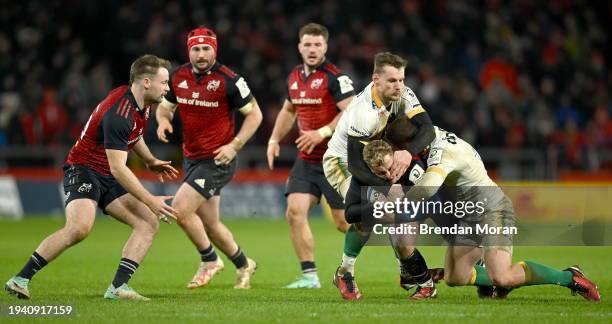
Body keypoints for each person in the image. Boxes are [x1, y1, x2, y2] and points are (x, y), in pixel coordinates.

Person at [363, 122, 601, 302]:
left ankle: (569, 277)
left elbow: (427, 189)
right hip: (470, 215)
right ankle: (483, 275)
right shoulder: (427, 133)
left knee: (503, 277)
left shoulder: (442, 154)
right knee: (456, 278)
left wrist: (397, 204)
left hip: (492, 209)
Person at [5, 54, 178, 301]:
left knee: (148, 223)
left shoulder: (140, 103)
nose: (167, 88)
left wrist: (150, 161)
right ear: (147, 82)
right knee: (79, 228)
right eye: (164, 82)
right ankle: (20, 279)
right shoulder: (120, 112)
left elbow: (134, 135)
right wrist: (150, 199)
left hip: (106, 171)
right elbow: (119, 168)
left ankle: (118, 288)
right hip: (83, 168)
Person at [323, 52, 436, 300]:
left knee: (403, 208)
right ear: (376, 80)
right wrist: (387, 188)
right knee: (372, 211)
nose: (399, 86)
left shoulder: (403, 93)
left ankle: (407, 268)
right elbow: (355, 164)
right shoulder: (363, 112)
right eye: (392, 81)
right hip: (343, 162)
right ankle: (345, 273)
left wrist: (408, 152)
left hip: (378, 156)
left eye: (401, 79)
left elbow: (428, 130)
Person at [156, 26, 262, 289]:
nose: (201, 54)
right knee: (211, 224)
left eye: (206, 48)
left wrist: (235, 145)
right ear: (188, 50)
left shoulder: (230, 80)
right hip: (192, 158)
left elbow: (255, 115)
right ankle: (243, 264)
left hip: (219, 159)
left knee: (179, 210)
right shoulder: (178, 76)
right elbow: (164, 108)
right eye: (196, 49)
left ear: (214, 50)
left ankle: (209, 260)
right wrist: (162, 122)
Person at [266, 23, 354, 288]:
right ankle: (309, 276)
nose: (312, 49)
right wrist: (273, 139)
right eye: (308, 44)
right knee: (294, 212)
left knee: (342, 222)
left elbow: (350, 111)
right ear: (299, 47)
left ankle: (401, 253)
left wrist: (322, 132)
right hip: (306, 161)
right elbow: (288, 110)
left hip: (336, 161)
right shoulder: (293, 76)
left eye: (318, 44)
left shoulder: (335, 77)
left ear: (325, 47)